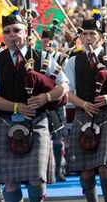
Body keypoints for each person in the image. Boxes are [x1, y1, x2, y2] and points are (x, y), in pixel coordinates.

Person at [0, 7, 69, 202]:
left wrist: (45, 97)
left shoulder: (44, 57)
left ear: (27, 32)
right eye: (7, 32)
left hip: (37, 122)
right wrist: (15, 107)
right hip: (6, 122)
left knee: (37, 178)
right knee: (11, 180)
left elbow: (63, 86)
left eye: (16, 30)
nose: (12, 35)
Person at [63, 13, 107, 202]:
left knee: (105, 168)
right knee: (86, 170)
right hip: (83, 115)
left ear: (101, 36)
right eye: (86, 34)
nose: (89, 38)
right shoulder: (74, 60)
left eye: (93, 34)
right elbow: (66, 91)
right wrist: (83, 104)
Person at [41, 30, 68, 181]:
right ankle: (45, 169)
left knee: (58, 137)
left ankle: (59, 169)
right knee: (43, 136)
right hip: (42, 102)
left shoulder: (62, 58)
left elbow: (66, 81)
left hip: (57, 102)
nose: (47, 44)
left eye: (49, 41)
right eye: (44, 41)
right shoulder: (37, 57)